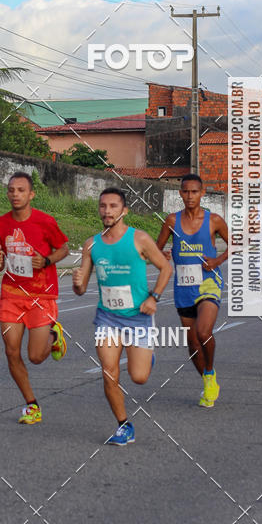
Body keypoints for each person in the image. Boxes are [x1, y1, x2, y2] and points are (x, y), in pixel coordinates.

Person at [72, 187, 172, 445]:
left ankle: (148, 357)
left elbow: (165, 268)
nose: (107, 211)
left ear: (124, 210)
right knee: (109, 372)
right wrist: (77, 282)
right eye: (103, 206)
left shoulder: (139, 239)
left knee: (139, 377)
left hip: (138, 316)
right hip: (107, 318)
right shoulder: (91, 244)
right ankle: (123, 425)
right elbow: (81, 290)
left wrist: (155, 297)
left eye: (113, 206)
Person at [0, 171, 69, 424]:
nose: (15, 194)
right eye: (11, 190)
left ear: (31, 194)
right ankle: (32, 405)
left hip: (41, 295)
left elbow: (63, 249)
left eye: (21, 190)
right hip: (11, 295)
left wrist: (46, 260)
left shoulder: (45, 222)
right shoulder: (0, 225)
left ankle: (55, 336)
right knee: (11, 352)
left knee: (35, 356)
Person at [156, 174, 228, 408]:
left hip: (209, 282)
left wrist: (218, 261)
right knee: (192, 343)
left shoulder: (214, 220)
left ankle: (208, 372)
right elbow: (155, 249)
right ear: (180, 194)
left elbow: (236, 244)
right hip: (183, 287)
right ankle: (209, 380)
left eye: (194, 192)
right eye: (186, 192)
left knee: (204, 331)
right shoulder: (172, 221)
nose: (190, 196)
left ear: (202, 193)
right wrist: (162, 255)